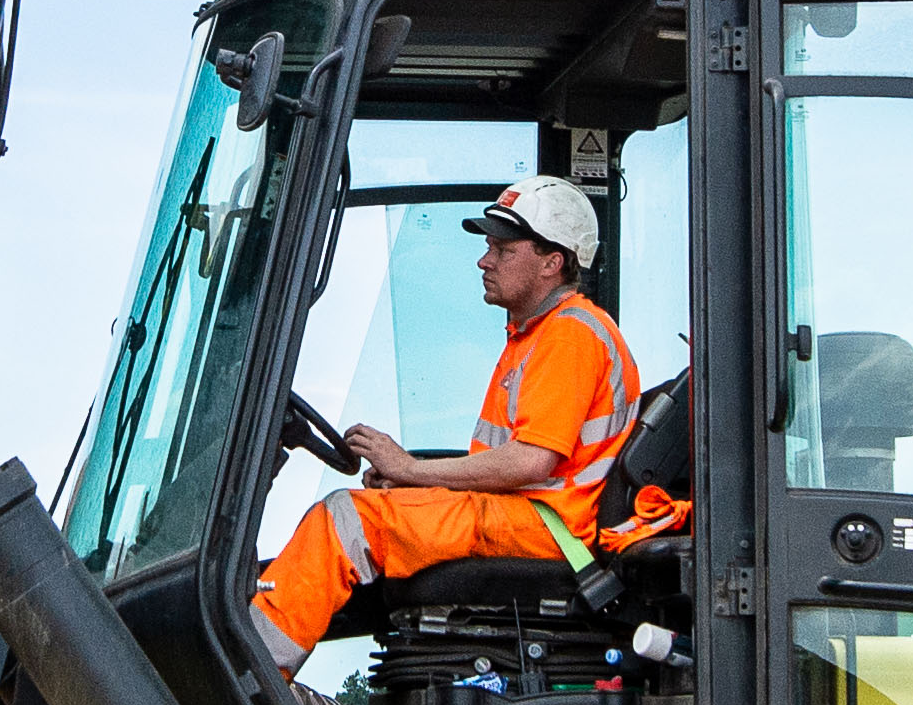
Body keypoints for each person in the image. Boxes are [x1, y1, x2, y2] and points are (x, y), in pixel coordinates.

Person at [250, 172, 672, 657]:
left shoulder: (569, 335)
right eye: (489, 247)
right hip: (525, 516)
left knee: (346, 520)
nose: (484, 260)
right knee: (361, 517)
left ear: (552, 262)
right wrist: (417, 484)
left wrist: (412, 469)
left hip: (545, 527)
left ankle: (247, 678)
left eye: (504, 251)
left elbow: (531, 463)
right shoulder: (535, 335)